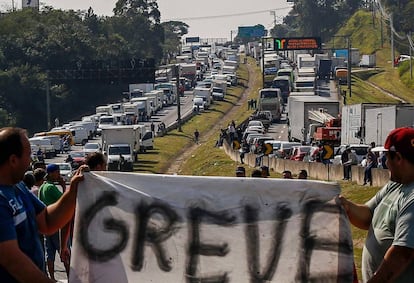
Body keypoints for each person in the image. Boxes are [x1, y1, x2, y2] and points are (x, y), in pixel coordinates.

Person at [0, 127, 86, 282]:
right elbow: (11, 259)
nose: (31, 161)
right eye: (28, 155)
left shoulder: (18, 186)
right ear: (13, 160)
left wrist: (73, 191)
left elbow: (47, 222)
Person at [340, 127, 414, 282]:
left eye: (387, 157)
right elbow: (368, 215)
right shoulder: (396, 184)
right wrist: (344, 205)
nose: (385, 162)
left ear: (398, 158)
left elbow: (401, 254)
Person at [39, 164, 70, 280]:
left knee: (50, 254)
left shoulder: (43, 186)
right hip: (56, 226)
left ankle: (52, 278)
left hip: (47, 226)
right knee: (65, 252)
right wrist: (63, 186)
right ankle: (70, 277)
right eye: (57, 172)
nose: (59, 174)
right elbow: (65, 201)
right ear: (51, 173)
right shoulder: (51, 187)